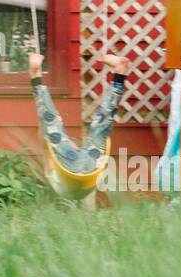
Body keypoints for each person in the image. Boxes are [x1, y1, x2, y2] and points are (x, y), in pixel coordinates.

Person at [28, 50, 131, 198]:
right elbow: (49, 145)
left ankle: (120, 74)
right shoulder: (61, 162)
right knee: (56, 124)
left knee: (101, 124)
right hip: (88, 168)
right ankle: (35, 76)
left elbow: (48, 150)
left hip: (79, 170)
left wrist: (47, 136)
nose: (74, 144)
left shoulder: (56, 174)